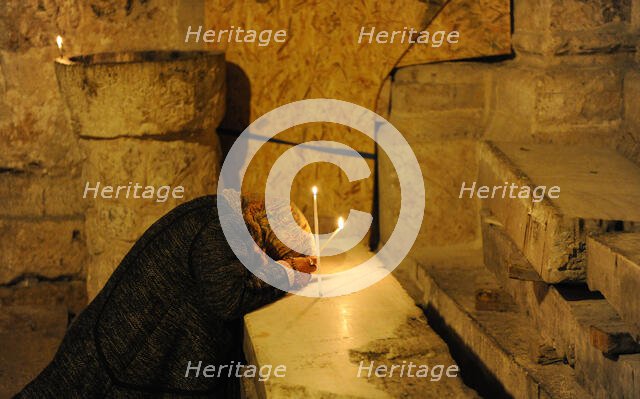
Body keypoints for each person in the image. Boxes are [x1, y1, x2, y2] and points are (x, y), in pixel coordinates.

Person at [16, 191, 317, 398]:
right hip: (123, 352)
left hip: (123, 345)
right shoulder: (224, 227)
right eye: (274, 252)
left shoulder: (223, 216)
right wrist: (291, 270)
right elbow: (228, 297)